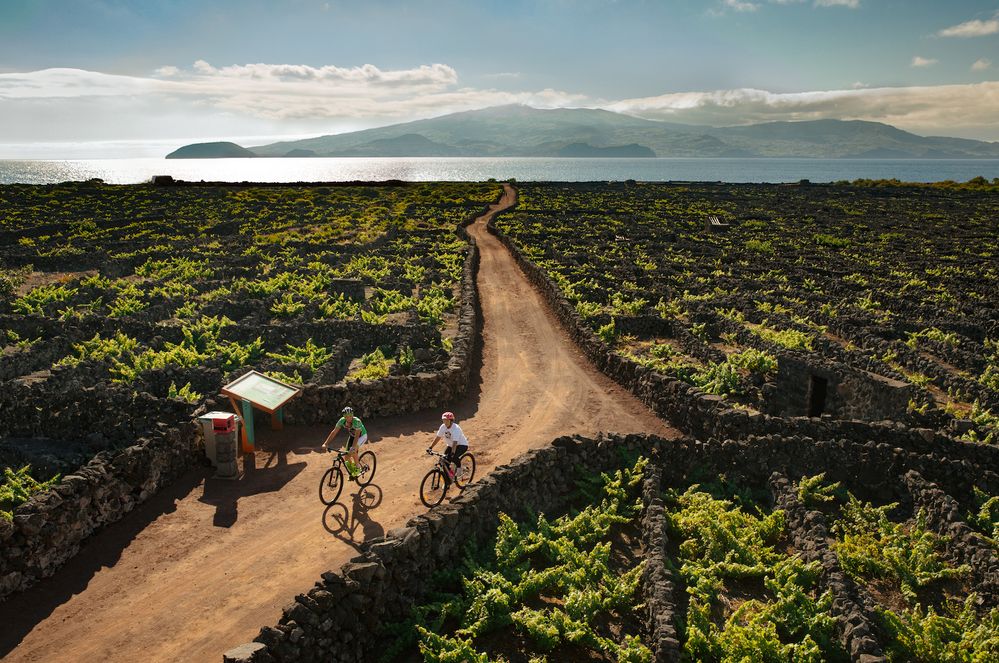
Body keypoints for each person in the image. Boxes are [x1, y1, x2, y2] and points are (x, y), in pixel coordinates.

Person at [321, 406, 367, 478]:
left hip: (361, 436)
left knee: (353, 451)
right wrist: (325, 443)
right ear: (344, 417)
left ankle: (358, 468)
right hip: (352, 436)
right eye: (346, 416)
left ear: (352, 415)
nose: (349, 418)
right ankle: (353, 472)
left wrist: (353, 447)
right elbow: (334, 432)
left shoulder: (357, 421)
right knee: (346, 458)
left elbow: (357, 435)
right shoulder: (341, 421)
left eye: (350, 416)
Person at [427, 411, 469, 481]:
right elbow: (438, 437)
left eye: (446, 420)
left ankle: (460, 470)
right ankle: (450, 479)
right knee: (444, 462)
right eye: (443, 420)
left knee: (453, 457)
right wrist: (430, 447)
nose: (445, 422)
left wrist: (452, 453)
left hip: (461, 445)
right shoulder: (443, 426)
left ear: (451, 420)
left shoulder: (456, 429)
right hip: (450, 445)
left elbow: (455, 442)